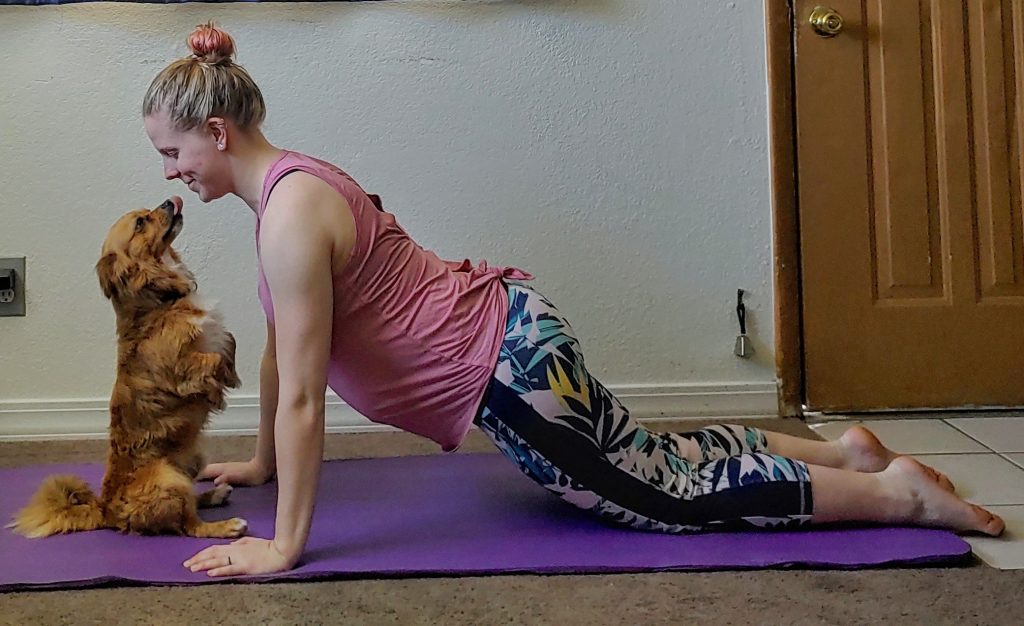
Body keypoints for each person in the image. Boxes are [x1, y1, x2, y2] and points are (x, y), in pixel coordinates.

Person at [141, 23, 1004, 577]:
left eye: (173, 151)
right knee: (644, 452)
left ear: (217, 131)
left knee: (665, 497)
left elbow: (301, 388)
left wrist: (286, 543)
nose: (171, 172)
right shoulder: (289, 191)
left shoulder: (291, 215)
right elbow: (279, 350)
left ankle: (898, 497)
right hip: (515, 334)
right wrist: (260, 465)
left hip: (508, 373)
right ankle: (844, 455)